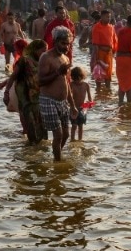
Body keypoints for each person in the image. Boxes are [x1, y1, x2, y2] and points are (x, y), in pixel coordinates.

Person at [37, 28, 74, 160]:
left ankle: (55, 154)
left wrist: (73, 105)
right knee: (58, 135)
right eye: (64, 43)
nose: (67, 47)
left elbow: (66, 83)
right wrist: (57, 72)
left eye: (68, 44)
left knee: (66, 135)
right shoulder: (46, 57)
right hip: (48, 100)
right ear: (56, 41)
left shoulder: (65, 58)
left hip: (63, 102)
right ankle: (57, 163)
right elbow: (40, 82)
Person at [90, 10, 115, 91]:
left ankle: (108, 91)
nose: (109, 18)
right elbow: (96, 44)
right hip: (100, 53)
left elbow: (114, 41)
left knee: (108, 75)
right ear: (102, 17)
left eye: (109, 17)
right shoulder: (97, 27)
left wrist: (114, 53)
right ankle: (98, 91)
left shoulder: (111, 27)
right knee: (99, 74)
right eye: (107, 17)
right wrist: (97, 58)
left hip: (109, 54)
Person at [68, 66, 91, 142]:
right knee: (74, 125)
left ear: (82, 76)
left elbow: (89, 97)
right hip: (73, 108)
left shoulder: (86, 85)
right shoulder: (71, 85)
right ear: (72, 78)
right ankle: (72, 139)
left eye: (78, 79)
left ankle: (80, 140)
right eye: (74, 79)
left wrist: (90, 104)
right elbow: (68, 96)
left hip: (82, 108)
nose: (77, 81)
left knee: (80, 126)